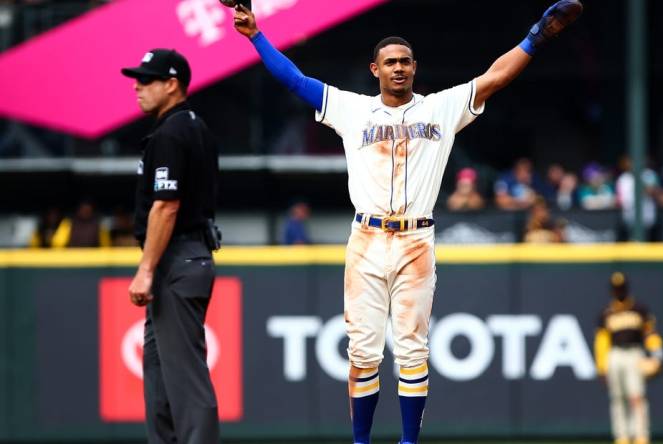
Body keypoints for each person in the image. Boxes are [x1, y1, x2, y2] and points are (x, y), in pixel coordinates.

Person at [232, 2, 583, 443]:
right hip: (366, 238)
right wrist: (255, 36)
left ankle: (408, 442)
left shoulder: (440, 108)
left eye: (404, 62)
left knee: (413, 349)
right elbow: (294, 80)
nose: (398, 68)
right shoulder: (351, 109)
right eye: (390, 63)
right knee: (362, 351)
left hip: (416, 239)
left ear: (415, 68)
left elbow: (495, 77)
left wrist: (536, 37)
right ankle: (361, 441)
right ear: (374, 69)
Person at [122, 48, 221, 444]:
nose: (137, 87)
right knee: (161, 377)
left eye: (147, 80)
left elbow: (166, 204)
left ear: (172, 84)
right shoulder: (194, 127)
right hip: (184, 257)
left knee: (185, 379)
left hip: (176, 258)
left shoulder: (172, 132)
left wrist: (146, 269)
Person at [594, 272, 663, 444]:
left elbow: (651, 334)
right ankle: (622, 437)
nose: (619, 292)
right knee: (617, 397)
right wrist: (602, 367)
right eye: (616, 289)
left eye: (621, 288)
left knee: (637, 396)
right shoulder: (607, 313)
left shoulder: (639, 309)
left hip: (634, 354)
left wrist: (657, 356)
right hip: (615, 355)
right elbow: (602, 343)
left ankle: (641, 436)